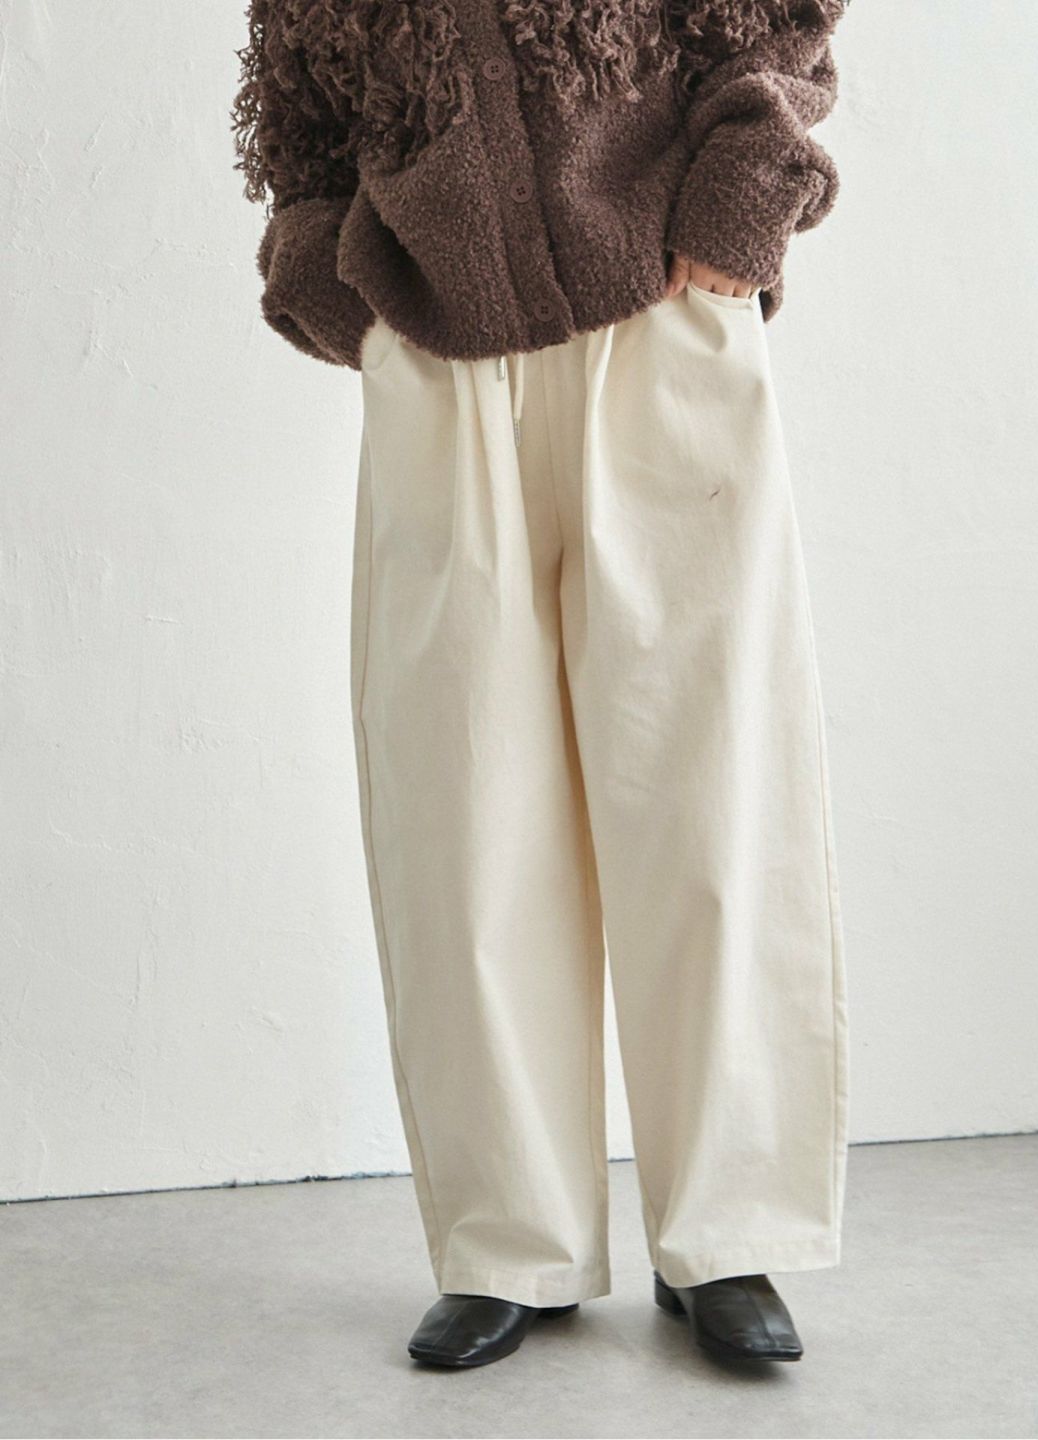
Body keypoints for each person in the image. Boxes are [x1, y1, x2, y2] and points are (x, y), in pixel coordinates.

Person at [232, 0, 850, 1370]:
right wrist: (346, 297)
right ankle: (510, 1243)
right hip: (439, 358)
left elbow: (777, 31)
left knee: (709, 788)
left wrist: (737, 213)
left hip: (667, 315)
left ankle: (727, 1236)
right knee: (465, 807)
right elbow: (302, 120)